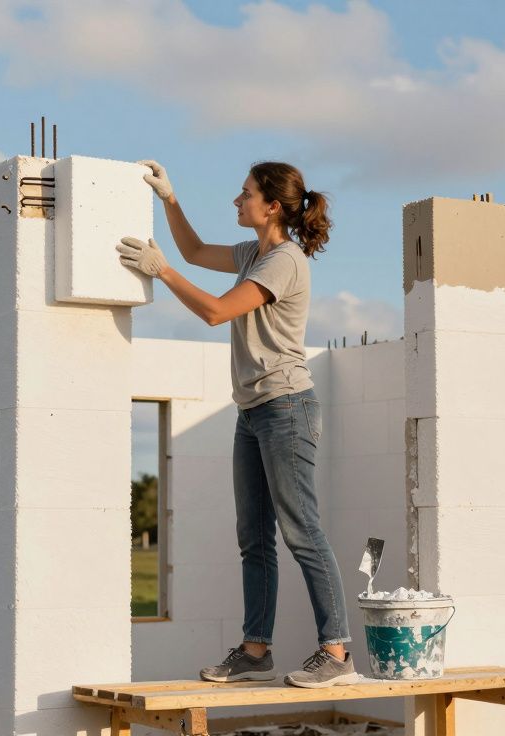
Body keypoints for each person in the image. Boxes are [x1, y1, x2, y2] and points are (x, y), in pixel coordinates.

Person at [117, 159, 356, 689]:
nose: (236, 200)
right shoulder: (254, 253)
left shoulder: (284, 262)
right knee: (253, 538)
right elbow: (197, 252)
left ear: (272, 205)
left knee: (301, 531)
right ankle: (255, 650)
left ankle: (336, 651)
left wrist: (162, 273)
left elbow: (217, 312)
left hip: (287, 407)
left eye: (245, 193)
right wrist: (169, 199)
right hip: (253, 412)